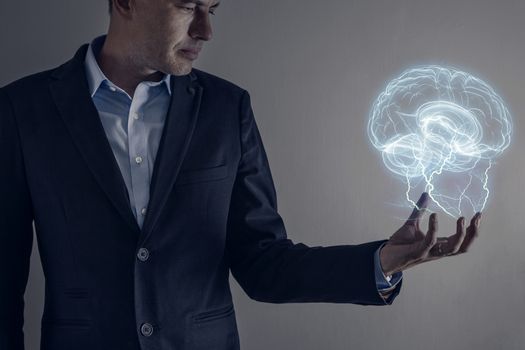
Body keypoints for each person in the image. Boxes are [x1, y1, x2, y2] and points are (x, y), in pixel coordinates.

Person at [0, 0, 481, 349]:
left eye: (213, 8)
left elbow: (263, 264)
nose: (206, 30)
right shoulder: (24, 110)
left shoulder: (227, 109)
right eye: (188, 6)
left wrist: (380, 263)